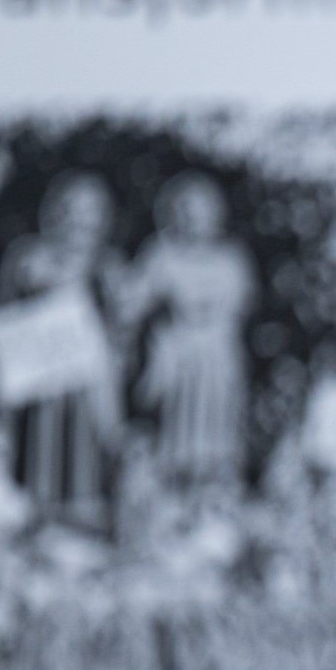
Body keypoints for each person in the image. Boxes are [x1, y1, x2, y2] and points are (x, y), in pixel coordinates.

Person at [0, 173, 124, 529]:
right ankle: (41, 505)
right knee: (43, 431)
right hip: (41, 368)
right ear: (53, 214)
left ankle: (86, 505)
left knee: (85, 431)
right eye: (70, 212)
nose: (79, 223)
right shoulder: (29, 256)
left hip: (87, 370)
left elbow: (119, 317)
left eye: (90, 214)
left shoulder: (106, 264)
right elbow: (7, 307)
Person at [127, 172, 253, 480]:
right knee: (177, 424)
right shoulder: (162, 255)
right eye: (185, 211)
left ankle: (214, 482)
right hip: (176, 354)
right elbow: (134, 300)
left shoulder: (231, 259)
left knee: (218, 420)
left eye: (201, 210)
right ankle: (175, 478)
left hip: (217, 354)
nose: (193, 219)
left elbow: (239, 305)